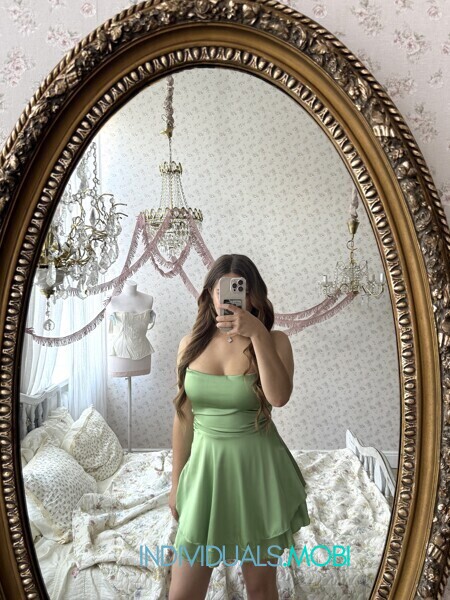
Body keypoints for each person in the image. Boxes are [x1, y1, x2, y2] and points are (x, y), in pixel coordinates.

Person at [168, 254, 310, 600]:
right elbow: (183, 417)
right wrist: (175, 483)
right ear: (210, 294)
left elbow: (279, 397)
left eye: (241, 290)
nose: (233, 298)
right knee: (182, 594)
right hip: (206, 472)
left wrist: (258, 334)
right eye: (223, 290)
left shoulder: (275, 341)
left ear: (254, 294)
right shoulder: (189, 344)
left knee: (260, 589)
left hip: (257, 472)